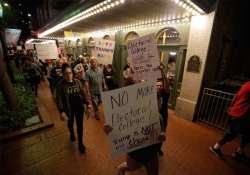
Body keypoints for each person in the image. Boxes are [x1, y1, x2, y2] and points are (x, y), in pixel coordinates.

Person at [55, 63, 92, 154]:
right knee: (70, 123)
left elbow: (83, 93)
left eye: (70, 72)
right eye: (66, 73)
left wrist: (88, 104)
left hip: (79, 107)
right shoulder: (60, 85)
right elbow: (58, 99)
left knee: (80, 126)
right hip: (68, 109)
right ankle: (71, 132)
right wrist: (62, 111)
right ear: (63, 74)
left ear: (72, 73)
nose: (69, 75)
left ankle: (80, 143)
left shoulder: (77, 82)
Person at [209, 81, 250, 161]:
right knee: (232, 133)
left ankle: (239, 151)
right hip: (241, 115)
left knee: (245, 134)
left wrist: (231, 107)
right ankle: (216, 147)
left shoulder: (246, 84)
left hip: (239, 113)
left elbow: (236, 96)